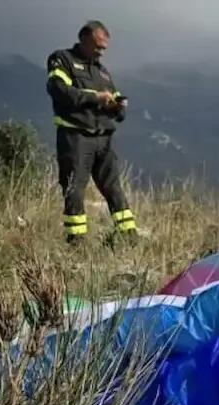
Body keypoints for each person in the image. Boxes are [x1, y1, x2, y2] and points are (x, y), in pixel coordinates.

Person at [46, 20, 139, 243]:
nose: (101, 52)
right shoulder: (63, 59)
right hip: (76, 137)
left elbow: (116, 108)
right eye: (98, 46)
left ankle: (128, 236)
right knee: (74, 188)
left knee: (113, 188)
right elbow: (59, 90)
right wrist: (95, 98)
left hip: (103, 138)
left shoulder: (102, 72)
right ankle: (76, 241)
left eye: (104, 48)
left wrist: (118, 106)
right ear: (84, 40)